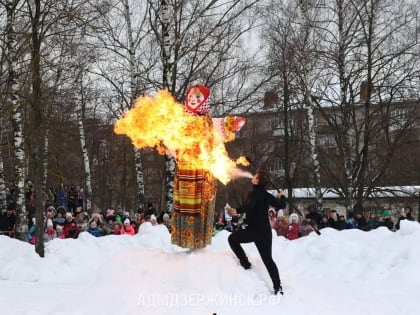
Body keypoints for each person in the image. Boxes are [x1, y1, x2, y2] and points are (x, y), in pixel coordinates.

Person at [171, 84, 245, 250]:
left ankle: (200, 245)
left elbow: (222, 124)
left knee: (202, 207)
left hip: (204, 174)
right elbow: (167, 135)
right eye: (191, 96)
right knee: (187, 209)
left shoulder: (209, 122)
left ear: (205, 100)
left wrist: (233, 122)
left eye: (198, 97)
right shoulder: (180, 120)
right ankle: (188, 244)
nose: (193, 100)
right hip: (185, 175)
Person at [226, 170, 287, 295]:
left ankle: (245, 263)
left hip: (253, 230)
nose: (252, 177)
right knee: (268, 260)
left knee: (232, 239)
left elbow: (250, 206)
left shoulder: (253, 194)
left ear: (257, 181)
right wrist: (282, 196)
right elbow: (281, 205)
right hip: (265, 232)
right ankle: (278, 287)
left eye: (255, 177)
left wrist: (237, 210)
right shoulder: (267, 195)